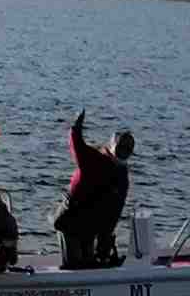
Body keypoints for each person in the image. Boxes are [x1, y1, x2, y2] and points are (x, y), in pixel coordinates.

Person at [55, 111, 135, 269]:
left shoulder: (122, 175)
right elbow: (77, 144)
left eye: (128, 148)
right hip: (71, 220)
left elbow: (115, 211)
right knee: (76, 266)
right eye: (121, 146)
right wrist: (76, 126)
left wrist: (106, 239)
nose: (124, 151)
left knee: (91, 263)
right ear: (112, 145)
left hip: (90, 225)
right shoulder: (94, 158)